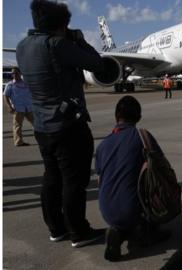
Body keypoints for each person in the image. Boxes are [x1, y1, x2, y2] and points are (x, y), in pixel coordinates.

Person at [16, 0, 105, 247]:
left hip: (42, 127)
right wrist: (79, 40)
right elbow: (96, 63)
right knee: (74, 181)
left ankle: (56, 229)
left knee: (51, 178)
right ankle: (79, 232)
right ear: (60, 25)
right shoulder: (58, 45)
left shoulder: (22, 46)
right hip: (67, 126)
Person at [96, 95, 171, 261]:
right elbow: (162, 166)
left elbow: (100, 180)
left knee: (124, 205)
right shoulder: (142, 137)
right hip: (131, 208)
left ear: (116, 117)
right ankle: (146, 232)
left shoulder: (103, 145)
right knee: (154, 184)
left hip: (106, 210)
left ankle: (118, 231)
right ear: (139, 117)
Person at [3, 67, 34, 146]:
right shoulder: (10, 85)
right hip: (18, 108)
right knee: (17, 126)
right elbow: (5, 96)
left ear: (20, 73)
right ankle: (19, 142)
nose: (14, 75)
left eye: (16, 73)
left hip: (29, 107)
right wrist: (9, 107)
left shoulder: (26, 83)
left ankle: (42, 139)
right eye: (13, 73)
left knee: (36, 124)